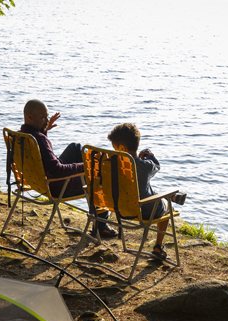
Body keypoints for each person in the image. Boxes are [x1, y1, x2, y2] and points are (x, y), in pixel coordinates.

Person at [21, 99, 115, 237]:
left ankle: (98, 221)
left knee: (75, 148)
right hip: (57, 185)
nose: (46, 120)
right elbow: (57, 170)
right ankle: (101, 226)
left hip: (41, 181)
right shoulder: (38, 138)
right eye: (43, 117)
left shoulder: (23, 135)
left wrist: (44, 131)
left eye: (46, 116)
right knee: (99, 175)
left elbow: (43, 159)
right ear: (30, 116)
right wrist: (88, 167)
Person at [107, 123, 187, 261]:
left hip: (119, 207)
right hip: (144, 210)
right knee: (166, 205)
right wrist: (148, 155)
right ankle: (158, 246)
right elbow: (156, 166)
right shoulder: (144, 166)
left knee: (146, 189)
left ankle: (171, 197)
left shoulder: (108, 163)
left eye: (114, 148)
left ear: (121, 148)